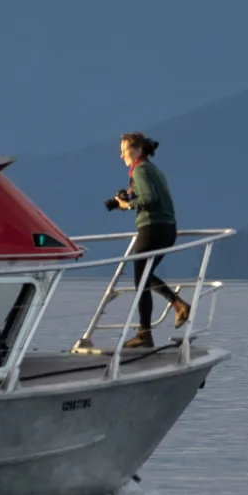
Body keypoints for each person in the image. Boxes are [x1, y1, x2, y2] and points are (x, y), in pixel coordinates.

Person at [107, 132, 192, 351]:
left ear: (136, 150)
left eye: (124, 150)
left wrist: (128, 205)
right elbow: (150, 197)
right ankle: (177, 305)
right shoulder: (152, 169)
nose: (121, 155)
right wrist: (124, 201)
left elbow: (149, 199)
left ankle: (146, 333)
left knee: (141, 279)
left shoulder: (140, 169)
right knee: (144, 277)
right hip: (166, 229)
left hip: (152, 228)